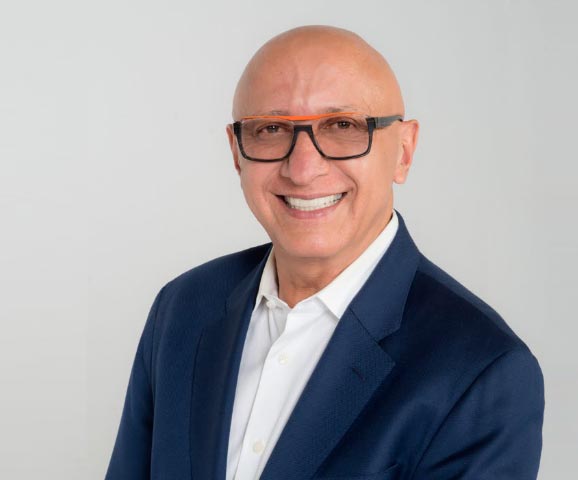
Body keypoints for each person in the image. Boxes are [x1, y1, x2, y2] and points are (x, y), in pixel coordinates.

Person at [106, 26, 544, 480]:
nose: (302, 169)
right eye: (271, 129)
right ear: (237, 154)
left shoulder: (482, 371)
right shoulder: (183, 309)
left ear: (404, 151)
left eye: (342, 127)